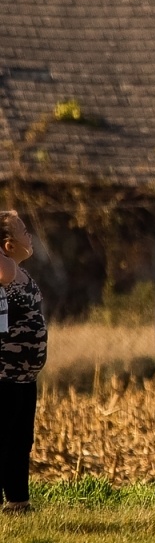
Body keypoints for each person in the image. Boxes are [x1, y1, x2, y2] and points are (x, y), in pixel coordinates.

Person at [0, 211, 37, 512]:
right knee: (3, 439)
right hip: (4, 374)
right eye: (23, 231)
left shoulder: (21, 272)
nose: (30, 236)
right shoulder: (6, 270)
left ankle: (18, 501)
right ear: (9, 245)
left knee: (21, 441)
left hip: (25, 376)